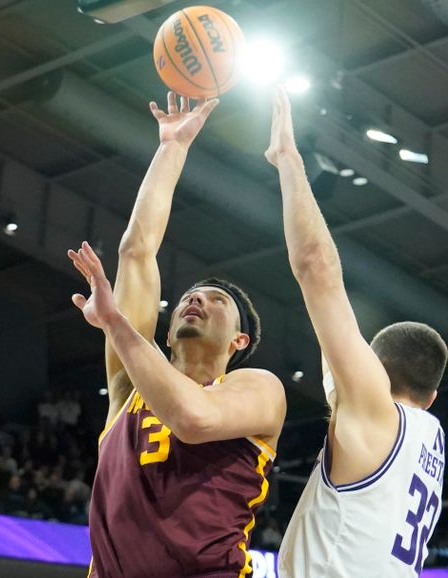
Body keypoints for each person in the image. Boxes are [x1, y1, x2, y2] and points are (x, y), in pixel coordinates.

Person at [68, 92, 286, 578]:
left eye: (218, 301)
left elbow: (193, 418)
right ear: (166, 335)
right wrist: (173, 146)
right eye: (191, 296)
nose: (198, 300)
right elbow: (136, 252)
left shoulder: (259, 389)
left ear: (239, 342)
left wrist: (116, 324)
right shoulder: (129, 387)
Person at [266, 86, 448, 577]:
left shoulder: (373, 414)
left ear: (372, 369)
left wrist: (288, 159)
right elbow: (337, 375)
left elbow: (314, 266)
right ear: (431, 396)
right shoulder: (428, 437)